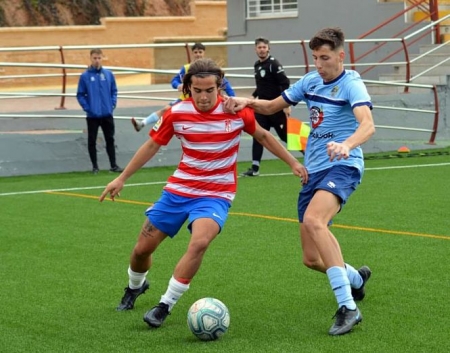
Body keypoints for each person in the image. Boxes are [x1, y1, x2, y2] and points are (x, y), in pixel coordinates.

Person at [100, 58, 308, 328]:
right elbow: (152, 146)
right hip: (178, 190)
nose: (204, 96)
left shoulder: (236, 111)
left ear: (219, 87)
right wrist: (122, 178)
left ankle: (165, 305)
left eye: (209, 90)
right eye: (197, 90)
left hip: (216, 194)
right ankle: (135, 286)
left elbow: (264, 136)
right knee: (142, 250)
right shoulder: (176, 113)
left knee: (199, 242)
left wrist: (293, 162)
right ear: (189, 88)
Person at [224, 27, 375, 336]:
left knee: (315, 220)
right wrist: (244, 102)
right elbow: (269, 106)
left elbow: (368, 124)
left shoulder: (352, 84)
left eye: (325, 58)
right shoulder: (310, 81)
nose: (319, 64)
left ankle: (348, 307)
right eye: (316, 58)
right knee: (311, 258)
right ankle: (355, 280)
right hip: (314, 171)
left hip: (343, 165)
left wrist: (347, 145)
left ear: (340, 55)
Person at [131, 42, 235, 132]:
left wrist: (233, 98)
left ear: (204, 53)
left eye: (200, 52)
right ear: (192, 53)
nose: (198, 54)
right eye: (195, 52)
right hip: (186, 99)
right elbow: (174, 81)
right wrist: (178, 85)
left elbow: (225, 83)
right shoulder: (186, 68)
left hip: (205, 101)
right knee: (166, 110)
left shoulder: (210, 68)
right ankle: (143, 124)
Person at [242, 37, 291, 177]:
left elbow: (285, 83)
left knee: (286, 136)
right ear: (255, 49)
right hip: (261, 108)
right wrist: (253, 96)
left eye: (264, 47)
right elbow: (262, 86)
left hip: (275, 107)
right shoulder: (257, 65)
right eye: (259, 47)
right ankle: (255, 168)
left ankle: (310, 155)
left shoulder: (274, 64)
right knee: (257, 135)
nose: (262, 50)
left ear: (268, 48)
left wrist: (286, 104)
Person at [76, 48, 123, 174]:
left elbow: (114, 91)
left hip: (107, 114)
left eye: (99, 58)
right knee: (92, 140)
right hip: (93, 115)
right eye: (94, 58)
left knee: (110, 139)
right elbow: (80, 94)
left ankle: (113, 165)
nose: (97, 60)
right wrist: (88, 108)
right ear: (90, 59)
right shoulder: (85, 76)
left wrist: (112, 104)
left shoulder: (108, 74)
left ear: (102, 58)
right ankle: (95, 166)